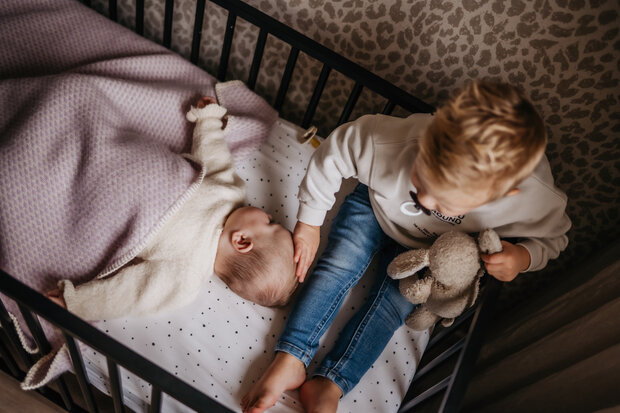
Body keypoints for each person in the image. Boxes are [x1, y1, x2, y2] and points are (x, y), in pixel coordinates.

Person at [241, 80, 571, 413]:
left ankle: (331, 382)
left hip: (431, 251)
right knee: (338, 266)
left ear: (501, 193)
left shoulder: (534, 200)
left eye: (443, 201)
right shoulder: (393, 139)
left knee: (393, 306)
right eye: (419, 178)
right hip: (375, 210)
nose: (425, 200)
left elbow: (555, 239)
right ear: (432, 129)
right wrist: (310, 222)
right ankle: (291, 355)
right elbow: (335, 152)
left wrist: (523, 256)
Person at [47, 97, 298, 320]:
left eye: (270, 222)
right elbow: (215, 157)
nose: (268, 213)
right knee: (78, 108)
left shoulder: (186, 277)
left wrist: (78, 304)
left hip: (106, 201)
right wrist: (208, 121)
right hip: (124, 152)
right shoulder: (230, 193)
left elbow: (132, 293)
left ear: (242, 241)